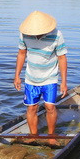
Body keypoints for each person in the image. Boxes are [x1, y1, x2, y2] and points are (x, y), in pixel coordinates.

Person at [13, 10, 68, 142]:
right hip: (31, 78)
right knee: (31, 108)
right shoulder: (24, 34)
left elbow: (62, 58)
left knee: (50, 107)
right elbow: (21, 54)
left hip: (50, 77)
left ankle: (51, 136)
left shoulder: (57, 35)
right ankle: (33, 136)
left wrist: (64, 82)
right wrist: (17, 76)